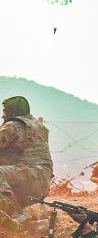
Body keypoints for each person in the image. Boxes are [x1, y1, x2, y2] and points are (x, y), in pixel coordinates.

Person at [0, 96, 53, 229]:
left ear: (12, 112)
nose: (3, 116)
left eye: (4, 111)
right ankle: (35, 224)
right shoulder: (38, 126)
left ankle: (19, 217)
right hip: (41, 181)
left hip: (28, 176)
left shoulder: (13, 125)